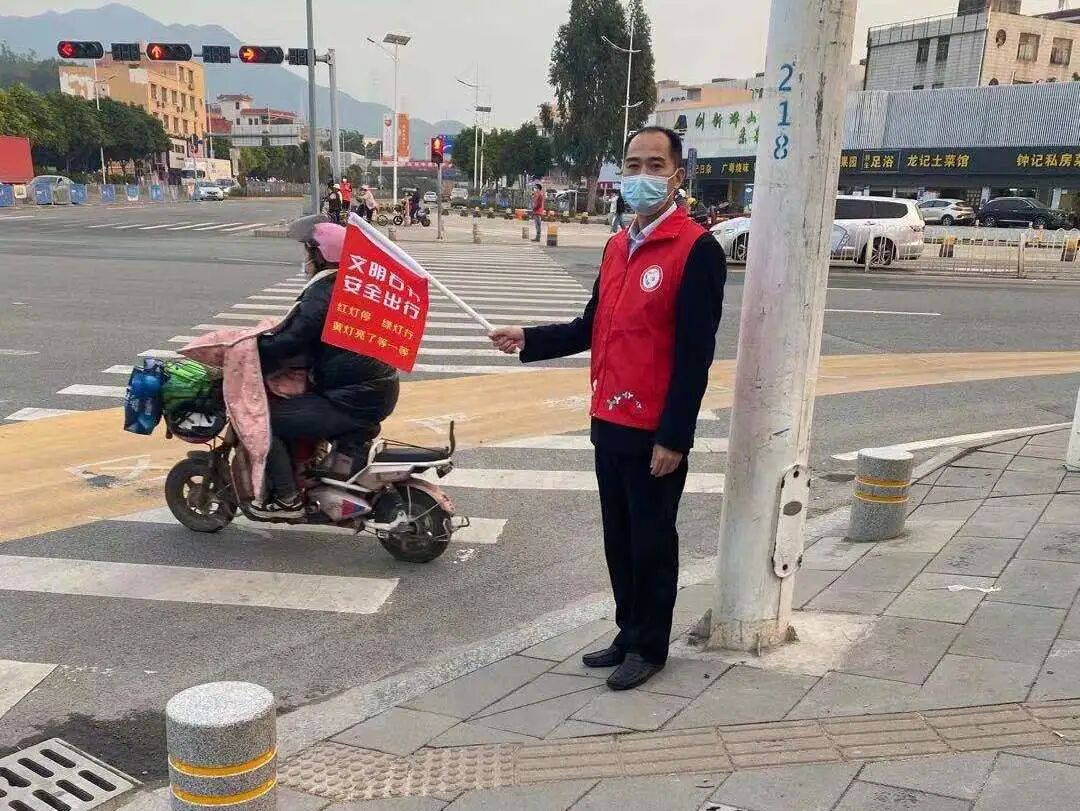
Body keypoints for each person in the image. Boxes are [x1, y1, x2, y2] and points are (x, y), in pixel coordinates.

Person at [489, 126, 726, 690]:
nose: (641, 176)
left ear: (676, 176)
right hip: (609, 420)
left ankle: (650, 645)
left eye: (654, 165)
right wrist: (528, 337)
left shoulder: (696, 250)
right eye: (632, 165)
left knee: (652, 541)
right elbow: (590, 326)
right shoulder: (618, 246)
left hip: (653, 431)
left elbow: (695, 357)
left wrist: (674, 437)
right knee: (618, 539)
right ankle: (628, 631)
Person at [254, 221, 403, 523]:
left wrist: (253, 347)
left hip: (351, 398)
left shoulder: (323, 292)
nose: (305, 259)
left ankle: (287, 498)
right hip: (375, 390)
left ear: (321, 255)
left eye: (308, 252)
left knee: (264, 423)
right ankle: (316, 474)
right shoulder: (354, 284)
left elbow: (292, 338)